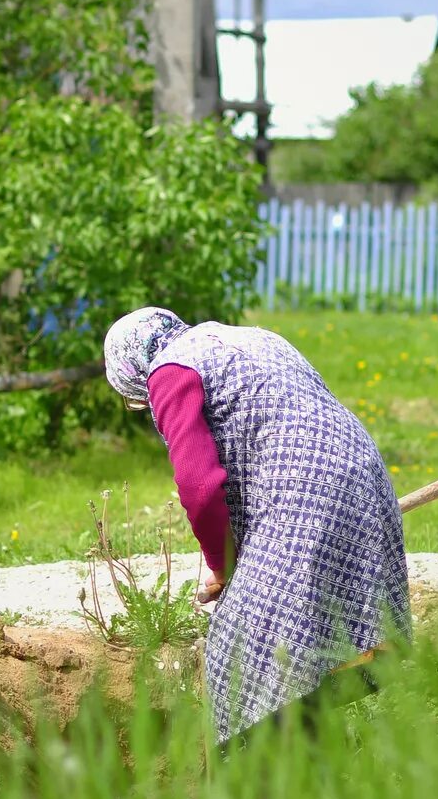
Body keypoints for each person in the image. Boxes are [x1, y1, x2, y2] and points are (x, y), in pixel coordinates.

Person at [103, 307, 410, 746]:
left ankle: (252, 778)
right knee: (326, 627)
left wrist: (222, 564)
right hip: (361, 471)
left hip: (302, 488)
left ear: (134, 370)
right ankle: (313, 749)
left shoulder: (170, 369)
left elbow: (199, 484)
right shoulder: (250, 338)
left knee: (238, 647)